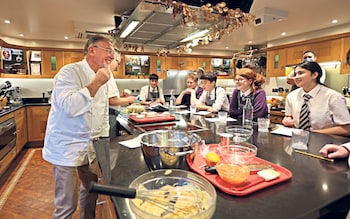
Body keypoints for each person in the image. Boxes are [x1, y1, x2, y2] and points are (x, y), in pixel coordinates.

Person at [42, 35, 116, 219]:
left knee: (90, 193)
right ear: (92, 50)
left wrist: (103, 145)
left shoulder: (104, 75)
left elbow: (103, 114)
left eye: (112, 52)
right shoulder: (69, 73)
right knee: (67, 204)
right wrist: (96, 82)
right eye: (108, 50)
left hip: (90, 148)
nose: (112, 56)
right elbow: (69, 107)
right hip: (66, 148)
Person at [282, 61, 350, 136]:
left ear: (314, 75)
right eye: (295, 74)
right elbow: (288, 116)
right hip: (298, 141)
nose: (296, 77)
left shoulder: (333, 97)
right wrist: (287, 120)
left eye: (301, 73)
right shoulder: (291, 96)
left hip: (326, 143)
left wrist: (312, 133)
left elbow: (346, 128)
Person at [107, 54, 136, 138]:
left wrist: (121, 98)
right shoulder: (107, 74)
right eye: (118, 62)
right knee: (111, 143)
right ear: (111, 59)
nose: (118, 65)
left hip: (112, 114)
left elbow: (111, 99)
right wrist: (128, 100)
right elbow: (111, 101)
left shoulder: (110, 74)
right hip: (110, 115)